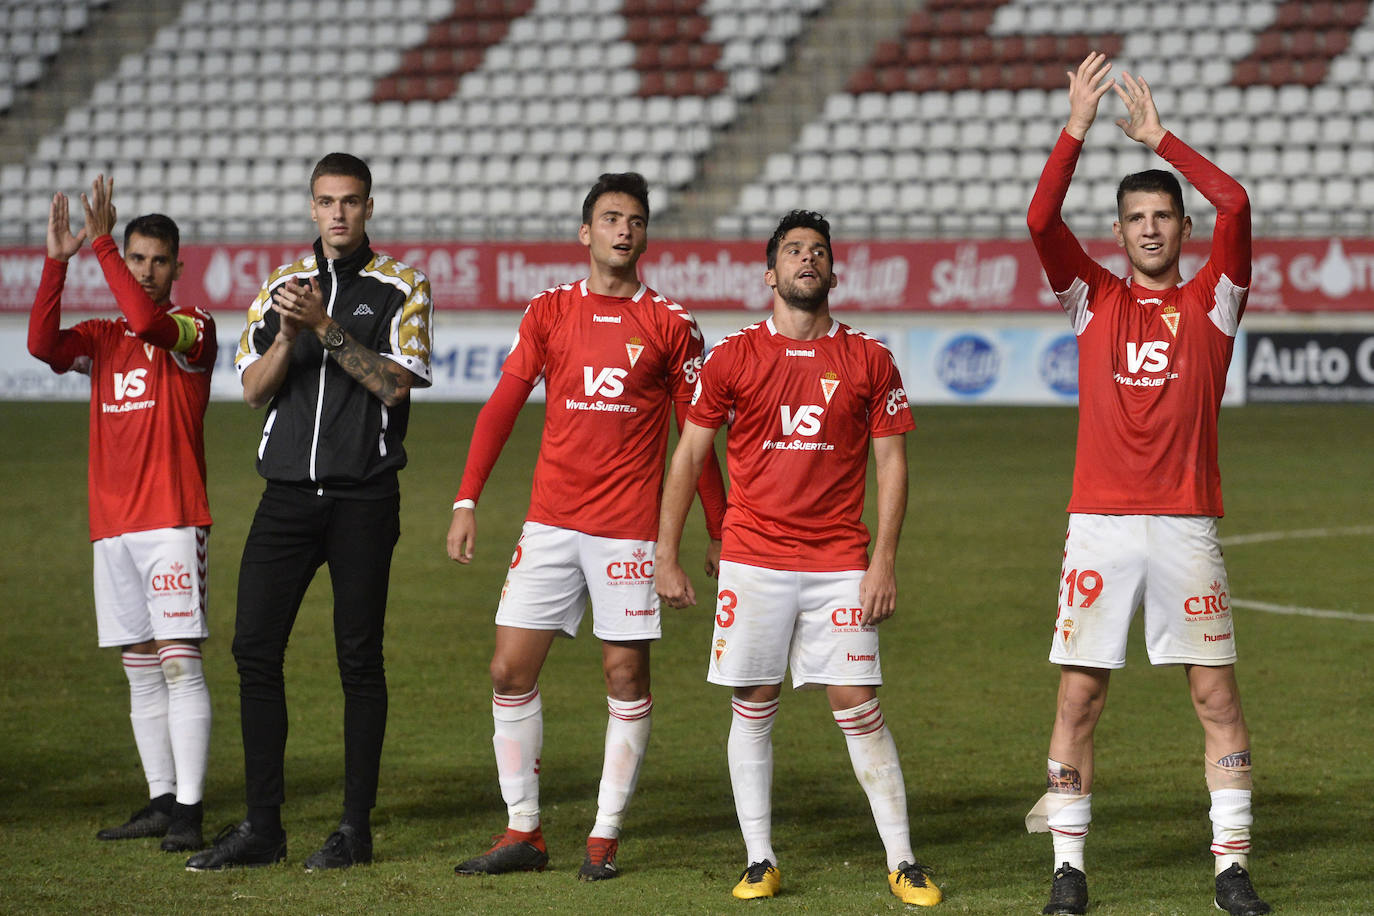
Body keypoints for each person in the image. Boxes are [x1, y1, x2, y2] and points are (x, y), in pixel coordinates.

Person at [1024, 54, 1268, 916]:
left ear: (1182, 230)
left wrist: (1159, 137)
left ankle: (1230, 869)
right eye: (1137, 218)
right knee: (1080, 698)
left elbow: (1236, 201)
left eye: (1165, 216)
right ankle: (1068, 870)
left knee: (1215, 696)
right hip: (1099, 525)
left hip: (1185, 526)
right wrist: (1076, 129)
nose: (1153, 229)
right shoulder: (1088, 298)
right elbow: (1040, 216)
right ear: (1120, 232)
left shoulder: (1216, 301)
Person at [655, 209, 940, 906]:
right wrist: (666, 551)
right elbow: (690, 453)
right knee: (754, 702)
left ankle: (902, 860)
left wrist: (884, 562)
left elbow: (892, 466)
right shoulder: (731, 357)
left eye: (817, 251)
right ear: (770, 273)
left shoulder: (870, 359)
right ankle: (759, 859)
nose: (806, 260)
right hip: (754, 559)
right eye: (793, 251)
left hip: (841, 560)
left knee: (857, 702)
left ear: (834, 272)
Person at [446, 172, 725, 881]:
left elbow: (697, 439)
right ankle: (523, 831)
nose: (623, 230)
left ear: (644, 235)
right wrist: (467, 499)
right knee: (509, 670)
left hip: (628, 532)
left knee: (625, 675)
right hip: (549, 525)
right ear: (585, 233)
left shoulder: (672, 325)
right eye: (610, 218)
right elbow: (503, 404)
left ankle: (603, 837)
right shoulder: (548, 312)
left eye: (634, 219)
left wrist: (720, 529)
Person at [186, 152, 433, 872]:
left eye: (350, 201)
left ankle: (354, 831)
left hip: (363, 497)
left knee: (358, 660)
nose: (337, 214)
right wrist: (291, 333)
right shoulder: (278, 290)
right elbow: (254, 390)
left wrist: (325, 325)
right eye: (326, 201)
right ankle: (264, 828)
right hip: (287, 496)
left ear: (369, 207)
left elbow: (394, 385)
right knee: (254, 650)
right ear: (311, 206)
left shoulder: (401, 286)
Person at [27, 176, 215, 854]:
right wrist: (57, 261)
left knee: (177, 662)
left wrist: (101, 245)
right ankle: (161, 798)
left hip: (170, 521)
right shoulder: (101, 338)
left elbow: (147, 322)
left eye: (157, 260)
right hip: (112, 527)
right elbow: (42, 346)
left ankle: (191, 808)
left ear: (178, 266)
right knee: (139, 663)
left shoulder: (193, 329)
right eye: (137, 258)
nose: (146, 270)